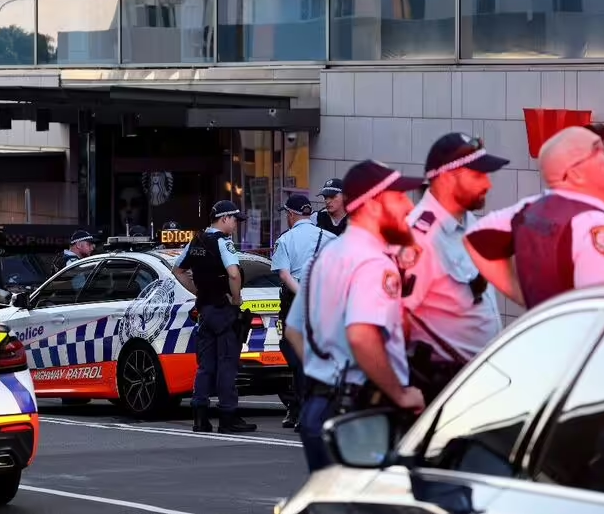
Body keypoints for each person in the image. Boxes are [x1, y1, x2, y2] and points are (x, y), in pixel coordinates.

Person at [282, 160, 427, 473]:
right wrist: (401, 394)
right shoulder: (374, 263)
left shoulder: (325, 257)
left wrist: (327, 374)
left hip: (320, 408)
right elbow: (362, 336)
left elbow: (294, 331)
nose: (406, 205)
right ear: (374, 204)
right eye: (398, 197)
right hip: (361, 415)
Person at [463, 126, 604, 309]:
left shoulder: (528, 208)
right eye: (599, 148)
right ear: (575, 174)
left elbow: (475, 238)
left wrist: (533, 304)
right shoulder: (594, 225)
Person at [396, 133, 509, 402]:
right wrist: (400, 393)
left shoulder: (469, 223)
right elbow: (393, 323)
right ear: (448, 177)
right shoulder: (420, 238)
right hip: (441, 387)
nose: (488, 184)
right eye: (478, 175)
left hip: (477, 384)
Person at [172, 200, 257, 434]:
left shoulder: (196, 241)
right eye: (234, 220)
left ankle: (200, 418)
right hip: (222, 309)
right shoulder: (223, 242)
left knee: (205, 366)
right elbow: (233, 273)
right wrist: (237, 299)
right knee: (227, 364)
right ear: (224, 219)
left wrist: (198, 291)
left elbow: (178, 270)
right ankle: (228, 417)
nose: (236, 225)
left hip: (205, 310)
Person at [270, 194, 337, 430]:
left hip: (295, 300)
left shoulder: (285, 240)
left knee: (297, 358)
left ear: (291, 214)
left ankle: (303, 410)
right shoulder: (329, 237)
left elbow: (284, 275)